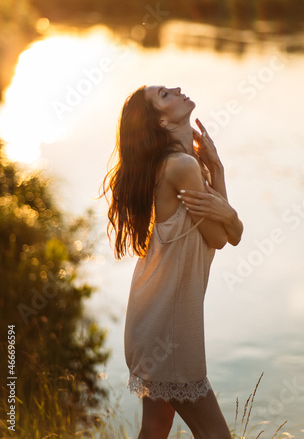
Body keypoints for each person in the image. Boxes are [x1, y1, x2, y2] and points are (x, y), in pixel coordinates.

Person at [101, 85, 243, 439]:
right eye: (165, 95)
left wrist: (218, 171)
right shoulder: (181, 167)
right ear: (161, 121)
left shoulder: (180, 164)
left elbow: (227, 234)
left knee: (156, 427)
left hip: (153, 319)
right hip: (169, 328)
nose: (177, 90)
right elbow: (224, 237)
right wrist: (229, 209)